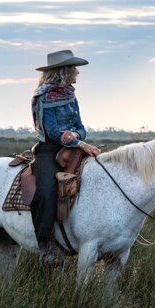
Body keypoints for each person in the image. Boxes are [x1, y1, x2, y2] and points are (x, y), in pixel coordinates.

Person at [31, 50, 101, 267]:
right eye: (73, 69)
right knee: (46, 190)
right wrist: (79, 143)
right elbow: (52, 131)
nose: (77, 73)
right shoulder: (44, 96)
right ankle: (45, 244)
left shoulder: (70, 94)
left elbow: (81, 127)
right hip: (49, 151)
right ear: (64, 71)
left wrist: (78, 136)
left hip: (74, 149)